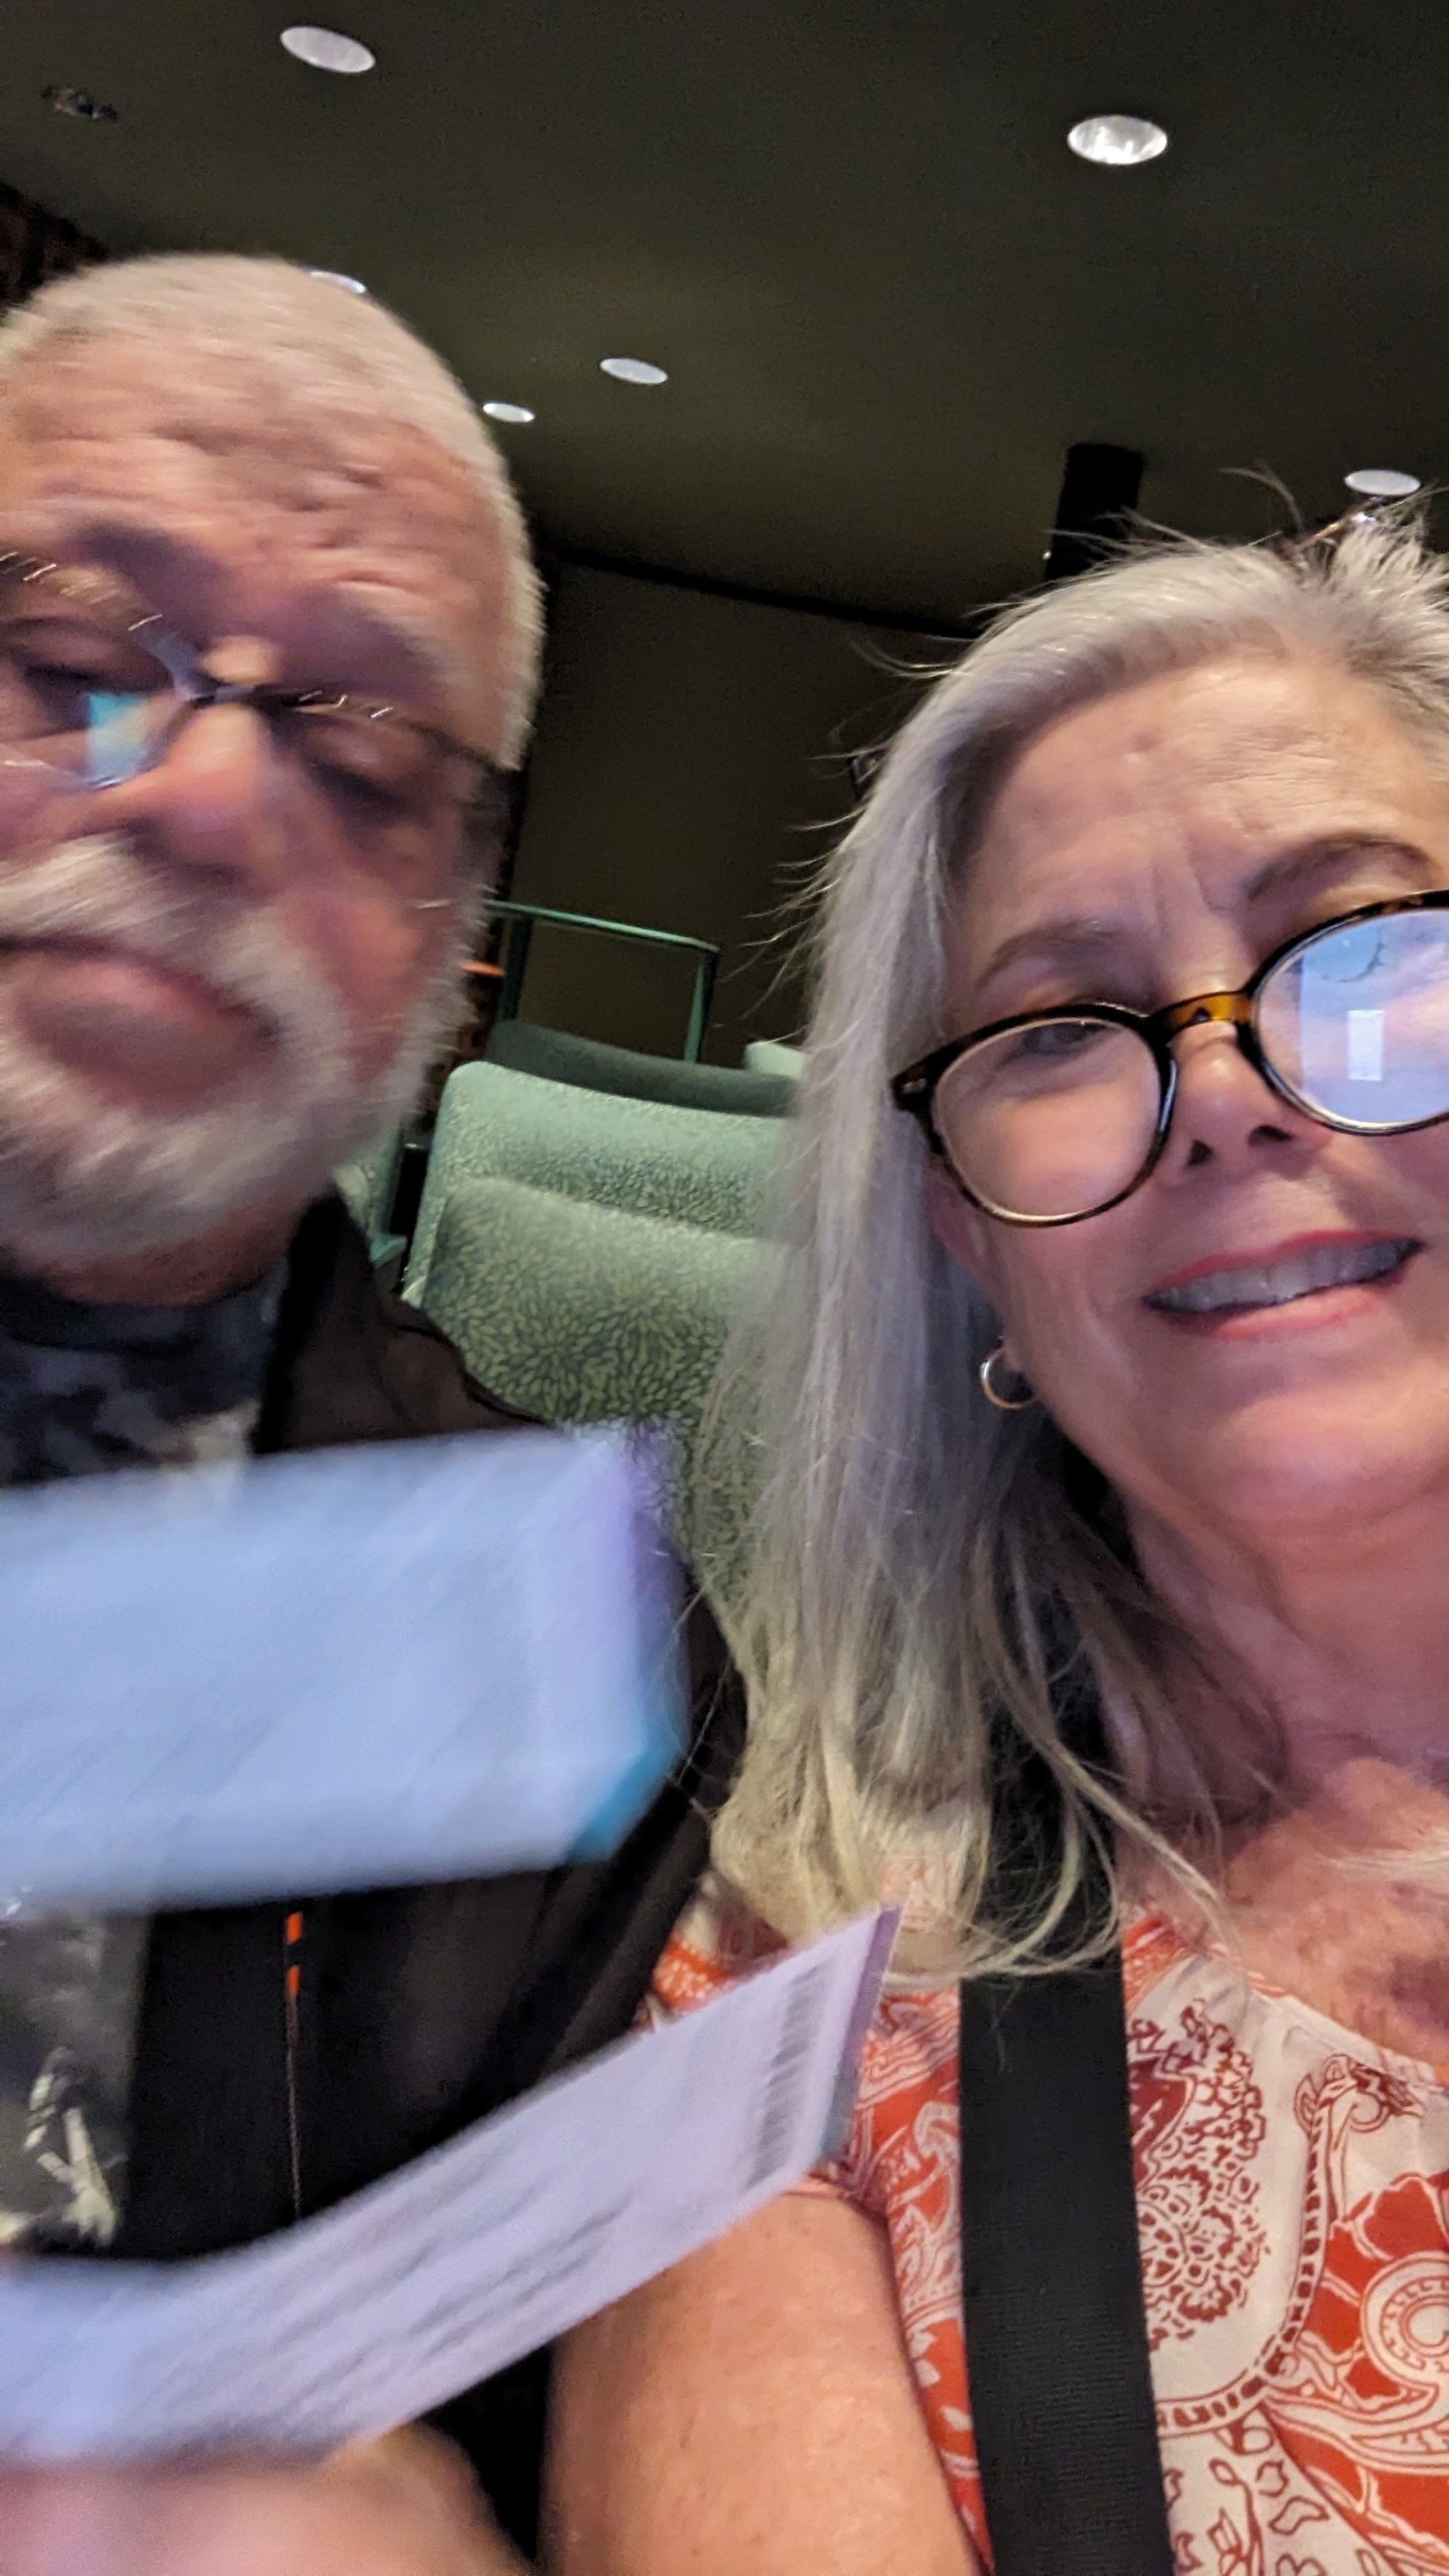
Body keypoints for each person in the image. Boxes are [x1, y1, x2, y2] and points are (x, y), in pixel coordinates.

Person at [548, 519, 1449, 2573]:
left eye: (1361, 943)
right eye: (1057, 1026)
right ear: (964, 1233)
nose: (1221, 1094)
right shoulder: (791, 2006)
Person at [0, 253, 742, 2573]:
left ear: (458, 927)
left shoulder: (563, 1624)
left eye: (363, 758)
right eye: (61, 659)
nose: (211, 795)